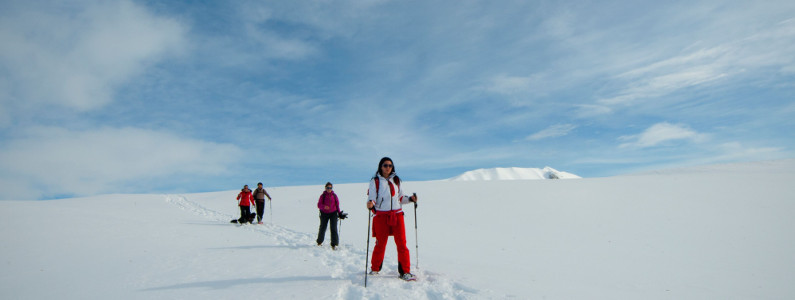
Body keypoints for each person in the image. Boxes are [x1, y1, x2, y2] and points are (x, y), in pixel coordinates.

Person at [366, 157, 417, 281]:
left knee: (402, 244)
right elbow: (372, 197)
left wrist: (410, 199)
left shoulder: (396, 180)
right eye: (385, 165)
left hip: (397, 215)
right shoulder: (375, 181)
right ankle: (375, 269)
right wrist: (370, 203)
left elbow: (400, 198)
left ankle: (405, 271)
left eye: (390, 165)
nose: (388, 167)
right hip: (381, 216)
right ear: (380, 166)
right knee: (380, 244)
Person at [316, 182, 341, 249]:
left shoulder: (334, 196)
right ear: (325, 188)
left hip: (333, 213)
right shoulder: (323, 196)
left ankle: (334, 244)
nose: (329, 189)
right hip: (324, 213)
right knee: (323, 227)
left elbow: (337, 205)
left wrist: (339, 213)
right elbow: (319, 205)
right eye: (328, 188)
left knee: (333, 228)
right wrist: (324, 207)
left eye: (330, 188)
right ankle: (319, 242)